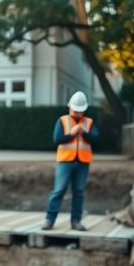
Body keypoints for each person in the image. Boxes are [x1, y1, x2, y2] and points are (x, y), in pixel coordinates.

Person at [43, 91, 98, 231]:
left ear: (84, 110)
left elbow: (96, 139)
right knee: (59, 190)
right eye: (75, 111)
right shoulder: (62, 120)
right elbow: (57, 139)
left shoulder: (89, 122)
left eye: (80, 111)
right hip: (65, 161)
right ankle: (49, 220)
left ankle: (76, 221)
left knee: (78, 192)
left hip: (83, 162)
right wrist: (72, 134)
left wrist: (83, 133)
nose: (78, 114)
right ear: (69, 107)